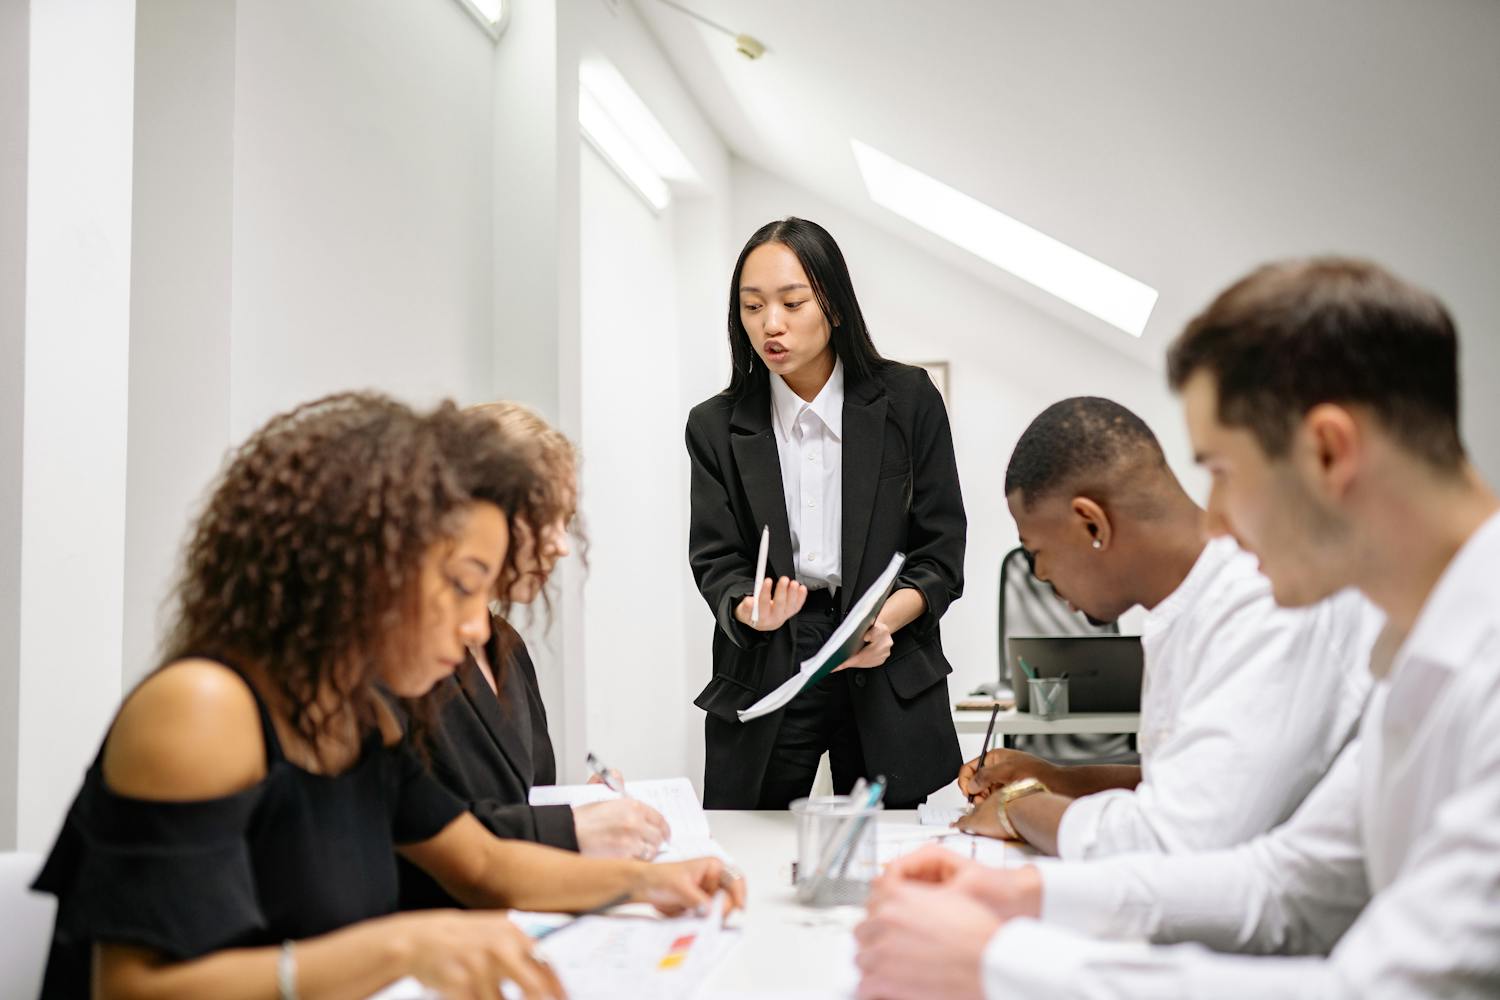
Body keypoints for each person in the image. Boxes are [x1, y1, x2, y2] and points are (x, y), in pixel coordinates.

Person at [855, 259, 1500, 998]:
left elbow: (1391, 990)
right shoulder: (1414, 651)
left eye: (1222, 470)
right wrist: (1024, 900)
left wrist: (999, 964)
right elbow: (1285, 887)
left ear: (1328, 452)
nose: (1215, 518)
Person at [32, 393, 744, 1000]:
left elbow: (485, 867)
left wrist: (650, 884)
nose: (476, 625)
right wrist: (401, 946)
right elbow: (133, 989)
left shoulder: (360, 715)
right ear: (361, 568)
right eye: (462, 585)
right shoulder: (201, 710)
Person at [954, 396, 1377, 857]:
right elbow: (1187, 782)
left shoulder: (1260, 603)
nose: (1038, 576)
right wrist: (1059, 779)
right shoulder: (1184, 611)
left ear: (1091, 524)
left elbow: (1177, 838)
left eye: (1036, 552)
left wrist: (1017, 808)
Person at [686, 217, 967, 809]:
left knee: (892, 850)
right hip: (769, 653)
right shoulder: (715, 426)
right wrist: (748, 607)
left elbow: (940, 552)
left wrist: (884, 621)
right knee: (751, 835)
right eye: (752, 306)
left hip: (883, 645)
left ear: (833, 304)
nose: (771, 324)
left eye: (792, 302)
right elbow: (716, 558)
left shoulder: (908, 401)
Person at [399, 402, 671, 911]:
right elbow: (429, 839)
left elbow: (516, 804)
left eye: (567, 522)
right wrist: (569, 826)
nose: (562, 546)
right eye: (546, 521)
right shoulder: (406, 660)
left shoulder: (506, 645)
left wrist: (581, 808)